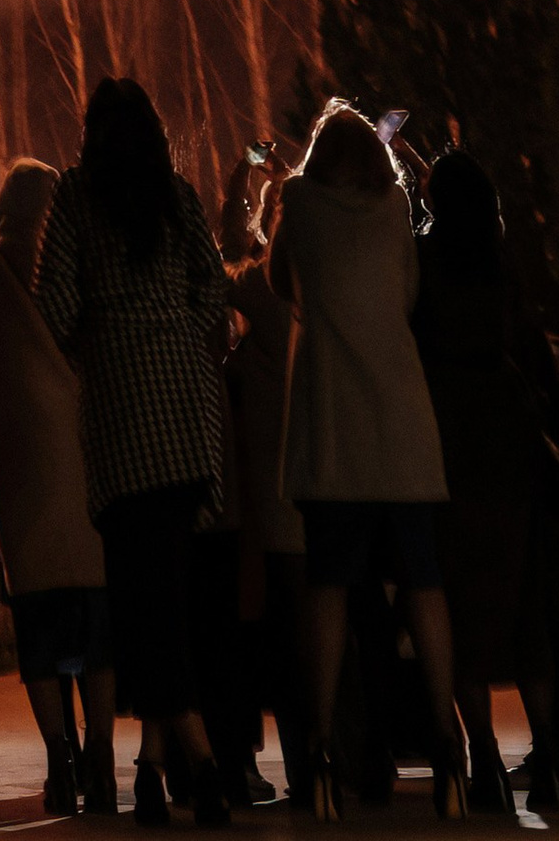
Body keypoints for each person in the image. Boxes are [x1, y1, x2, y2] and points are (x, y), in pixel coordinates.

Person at [36, 76, 235, 829]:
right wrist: (176, 328)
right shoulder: (177, 195)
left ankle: (202, 764)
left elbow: (55, 303)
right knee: (166, 595)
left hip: (121, 414)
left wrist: (92, 341)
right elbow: (213, 289)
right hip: (184, 411)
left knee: (140, 598)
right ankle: (153, 767)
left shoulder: (75, 197)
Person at [272, 102, 465, 826]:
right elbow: (408, 295)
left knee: (329, 586)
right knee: (423, 581)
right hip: (402, 420)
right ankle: (448, 748)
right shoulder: (393, 210)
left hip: (334, 427)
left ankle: (322, 748)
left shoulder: (297, 202)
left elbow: (279, 281)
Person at [0, 158, 117, 816]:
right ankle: (101, 756)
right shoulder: (82, 267)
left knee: (41, 626)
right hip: (91, 462)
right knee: (97, 620)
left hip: (20, 472)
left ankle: (59, 761)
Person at [413, 151, 559, 817]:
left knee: (460, 594)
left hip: (450, 426)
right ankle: (549, 756)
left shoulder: (426, 261)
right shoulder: (502, 260)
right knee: (524, 594)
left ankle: (486, 760)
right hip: (507, 422)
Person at [225, 162, 311, 812]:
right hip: (328, 485)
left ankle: (301, 762)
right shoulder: (328, 274)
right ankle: (339, 758)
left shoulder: (263, 286)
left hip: (272, 496)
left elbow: (223, 269)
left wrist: (238, 191)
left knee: (281, 638)